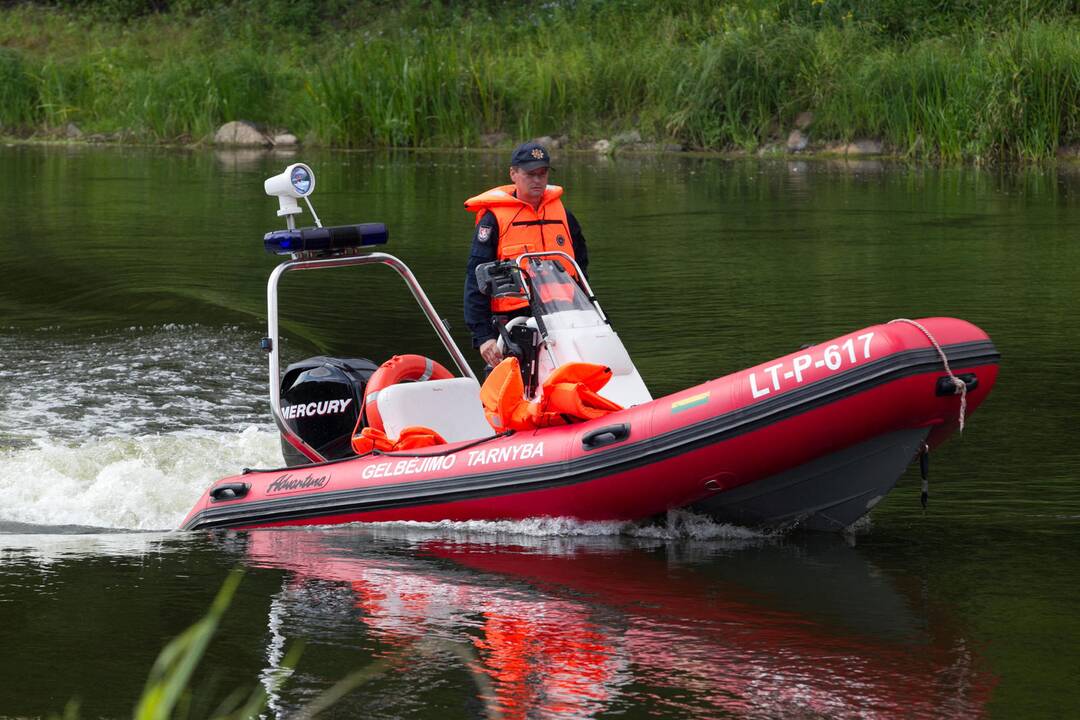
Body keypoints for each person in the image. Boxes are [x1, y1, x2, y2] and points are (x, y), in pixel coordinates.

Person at [463, 141, 589, 367]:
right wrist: (483, 337)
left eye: (543, 173)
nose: (538, 180)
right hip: (515, 324)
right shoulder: (494, 221)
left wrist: (589, 315)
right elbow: (476, 279)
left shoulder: (564, 216)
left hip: (563, 319)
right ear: (513, 173)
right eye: (531, 174)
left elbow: (581, 271)